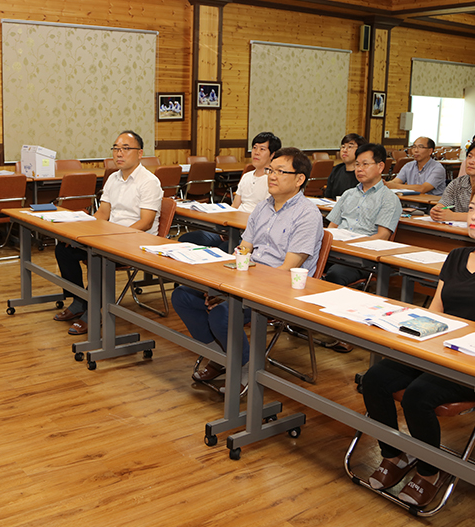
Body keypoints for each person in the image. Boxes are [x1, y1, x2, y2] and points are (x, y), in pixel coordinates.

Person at [361, 177, 475, 507]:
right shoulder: (457, 256)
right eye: (472, 208)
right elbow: (436, 309)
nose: (473, 216)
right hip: (440, 349)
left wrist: (456, 345)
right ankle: (394, 455)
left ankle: (430, 472)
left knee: (419, 395)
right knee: (374, 379)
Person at [174, 147, 323, 383]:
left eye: (280, 171)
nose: (271, 176)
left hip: (277, 287)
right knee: (183, 296)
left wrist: (232, 291)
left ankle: (244, 366)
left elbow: (286, 269)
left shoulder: (307, 214)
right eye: (270, 170)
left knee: (223, 313)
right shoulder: (263, 207)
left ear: (299, 179)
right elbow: (245, 248)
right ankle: (223, 355)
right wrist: (225, 280)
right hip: (247, 277)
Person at [53, 130, 162, 335]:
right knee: (65, 248)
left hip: (138, 241)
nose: (119, 153)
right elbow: (103, 213)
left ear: (140, 153)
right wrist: (80, 230)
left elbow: (146, 223)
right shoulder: (113, 178)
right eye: (116, 148)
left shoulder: (149, 182)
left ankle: (94, 311)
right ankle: (80, 300)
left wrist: (114, 238)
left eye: (126, 149)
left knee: (100, 257)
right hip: (110, 236)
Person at [178, 131, 280, 248]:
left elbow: (267, 216)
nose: (256, 152)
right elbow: (234, 206)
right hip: (233, 227)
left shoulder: (272, 181)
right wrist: (224, 229)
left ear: (272, 155)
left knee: (223, 250)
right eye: (254, 148)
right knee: (186, 239)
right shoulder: (247, 176)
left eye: (262, 149)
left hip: (250, 233)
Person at [323, 143, 401, 286]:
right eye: (357, 164)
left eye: (365, 164)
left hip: (361, 259)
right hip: (335, 252)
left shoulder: (389, 199)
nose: (359, 169)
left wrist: (351, 245)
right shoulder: (348, 194)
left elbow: (382, 237)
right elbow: (332, 227)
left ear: (380, 167)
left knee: (335, 274)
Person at [430, 140, 475, 223]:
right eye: (469, 156)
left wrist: (453, 216)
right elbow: (443, 204)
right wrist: (437, 210)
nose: (471, 161)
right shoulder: (457, 183)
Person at [322, 132, 366, 200]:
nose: (344, 150)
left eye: (350, 147)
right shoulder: (336, 170)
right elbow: (328, 197)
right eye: (343, 147)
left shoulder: (364, 173)